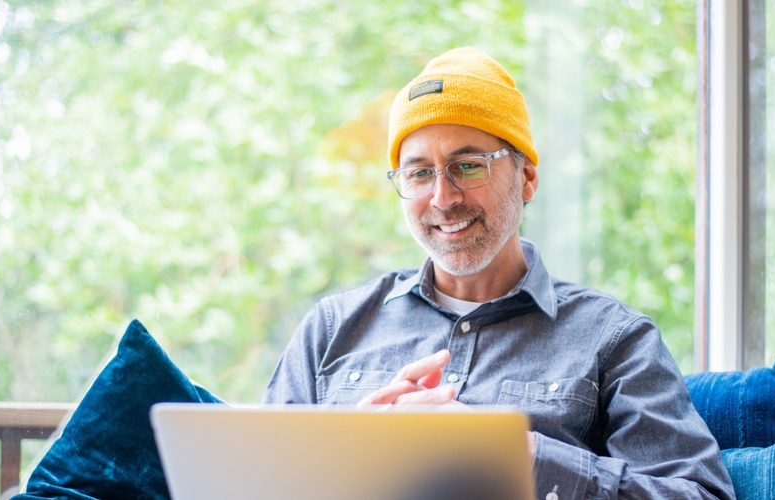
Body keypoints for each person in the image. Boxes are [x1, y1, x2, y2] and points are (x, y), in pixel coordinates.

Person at [263, 47, 735, 500]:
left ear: (527, 177)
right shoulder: (330, 330)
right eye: (419, 173)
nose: (443, 198)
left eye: (468, 167)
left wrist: (510, 455)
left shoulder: (614, 340)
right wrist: (340, 463)